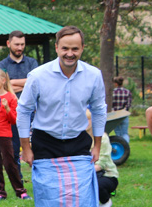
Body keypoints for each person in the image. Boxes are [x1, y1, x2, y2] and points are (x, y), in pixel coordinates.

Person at [17, 26, 107, 165]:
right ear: (56, 47)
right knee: (47, 186)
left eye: (75, 49)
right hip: (44, 143)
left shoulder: (94, 76)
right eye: (65, 48)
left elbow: (99, 110)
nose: (70, 54)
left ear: (82, 48)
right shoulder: (37, 76)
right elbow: (23, 111)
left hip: (78, 141)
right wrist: (26, 148)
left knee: (79, 186)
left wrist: (97, 146)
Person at [0, 30, 39, 176]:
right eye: (16, 44)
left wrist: (12, 82)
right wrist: (25, 83)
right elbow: (1, 87)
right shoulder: (1, 65)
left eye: (22, 44)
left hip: (32, 112)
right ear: (9, 44)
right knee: (14, 149)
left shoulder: (32, 63)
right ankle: (18, 182)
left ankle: (37, 177)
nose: (19, 47)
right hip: (11, 114)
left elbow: (35, 83)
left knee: (36, 147)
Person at [0, 69, 30, 201]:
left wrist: (7, 108)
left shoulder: (11, 97)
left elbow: (13, 120)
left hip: (5, 135)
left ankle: (20, 191)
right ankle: (0, 192)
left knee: (10, 163)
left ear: (3, 81)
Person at [111, 76, 132, 143]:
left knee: (118, 133)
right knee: (125, 133)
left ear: (116, 84)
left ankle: (120, 148)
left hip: (115, 115)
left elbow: (110, 104)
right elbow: (128, 104)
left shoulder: (112, 92)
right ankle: (126, 147)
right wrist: (124, 111)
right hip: (124, 115)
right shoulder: (127, 92)